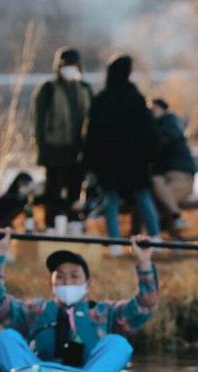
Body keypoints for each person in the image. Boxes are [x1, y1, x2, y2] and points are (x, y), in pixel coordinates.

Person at [0, 229, 158, 372]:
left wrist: (144, 262)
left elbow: (144, 306)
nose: (67, 282)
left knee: (118, 344)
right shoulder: (34, 311)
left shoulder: (105, 313)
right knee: (5, 338)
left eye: (74, 276)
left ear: (88, 284)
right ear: (50, 283)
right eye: (60, 276)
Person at [84, 54, 160, 251]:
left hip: (109, 160)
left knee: (111, 200)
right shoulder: (136, 99)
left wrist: (91, 161)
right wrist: (151, 156)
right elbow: (149, 131)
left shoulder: (102, 100)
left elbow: (92, 134)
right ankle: (156, 238)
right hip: (136, 160)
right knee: (143, 196)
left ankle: (115, 244)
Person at [31, 47, 92, 229]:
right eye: (66, 65)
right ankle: (51, 227)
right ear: (58, 66)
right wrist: (42, 152)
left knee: (75, 191)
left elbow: (93, 120)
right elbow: (38, 124)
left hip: (79, 152)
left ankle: (75, 226)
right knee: (53, 193)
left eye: (73, 65)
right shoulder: (47, 89)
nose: (69, 69)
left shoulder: (85, 89)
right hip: (54, 151)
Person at [150, 97, 196, 233]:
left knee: (157, 200)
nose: (152, 112)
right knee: (154, 188)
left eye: (154, 109)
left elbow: (160, 144)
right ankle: (176, 218)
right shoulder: (166, 125)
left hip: (182, 178)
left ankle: (171, 224)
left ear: (163, 109)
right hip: (166, 180)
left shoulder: (169, 125)